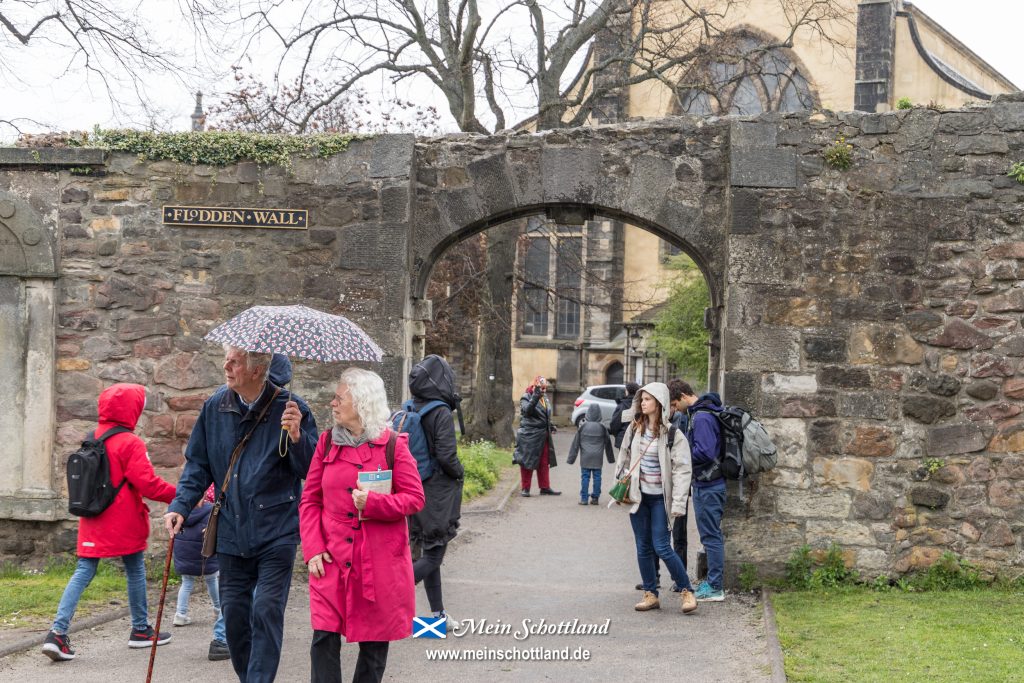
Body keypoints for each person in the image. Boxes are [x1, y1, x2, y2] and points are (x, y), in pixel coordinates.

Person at [164, 348, 318, 683]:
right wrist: (180, 505)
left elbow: (312, 470)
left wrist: (297, 437)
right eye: (227, 359)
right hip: (231, 529)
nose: (226, 366)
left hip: (276, 531)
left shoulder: (293, 409)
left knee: (266, 610)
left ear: (257, 369)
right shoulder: (216, 406)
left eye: (235, 361)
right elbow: (199, 465)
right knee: (234, 618)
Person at [300, 368, 425, 683]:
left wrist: (374, 504)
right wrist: (313, 548)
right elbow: (310, 501)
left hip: (377, 564)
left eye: (339, 397)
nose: (332, 403)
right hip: (331, 560)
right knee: (323, 639)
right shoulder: (327, 443)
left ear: (360, 402)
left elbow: (414, 498)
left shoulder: (393, 445)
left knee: (373, 646)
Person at [43, 383, 177, 661]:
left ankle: (57, 633)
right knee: (135, 569)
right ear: (133, 409)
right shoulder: (130, 442)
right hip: (124, 521)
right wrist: (181, 495)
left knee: (83, 571)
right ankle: (140, 630)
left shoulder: (91, 438)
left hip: (92, 518)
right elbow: (148, 485)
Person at [612, 382, 697, 614]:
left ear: (659, 403)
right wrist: (619, 485)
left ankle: (686, 591)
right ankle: (650, 593)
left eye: (648, 399)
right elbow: (624, 458)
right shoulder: (634, 428)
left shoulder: (673, 434)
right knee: (643, 547)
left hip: (660, 499)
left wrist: (679, 503)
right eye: (641, 399)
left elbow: (682, 470)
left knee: (662, 546)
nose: (642, 402)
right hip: (639, 498)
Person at [406, 355, 464, 623]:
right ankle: (385, 597)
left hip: (415, 488)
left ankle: (438, 616)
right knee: (434, 554)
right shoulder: (440, 412)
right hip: (437, 493)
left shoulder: (411, 407)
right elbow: (446, 456)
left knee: (430, 552)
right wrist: (460, 472)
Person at [172, 484, 229, 661]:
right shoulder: (210, 510)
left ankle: (180, 614)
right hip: (205, 558)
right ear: (203, 496)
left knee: (186, 584)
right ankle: (218, 607)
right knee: (213, 580)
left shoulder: (179, 513)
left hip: (185, 558)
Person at [682, 386, 727, 602]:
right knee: (711, 536)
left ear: (681, 396)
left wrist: (682, 452)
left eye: (673, 404)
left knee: (711, 536)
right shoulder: (706, 412)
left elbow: (706, 452)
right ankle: (713, 583)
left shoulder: (701, 417)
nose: (675, 409)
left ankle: (715, 587)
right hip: (709, 483)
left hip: (708, 484)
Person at [512, 376, 560, 497]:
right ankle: (525, 488)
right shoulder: (526, 397)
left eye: (545, 388)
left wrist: (551, 425)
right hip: (529, 435)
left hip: (543, 435)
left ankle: (544, 487)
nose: (543, 390)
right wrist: (535, 395)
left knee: (544, 462)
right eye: (541, 388)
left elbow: (545, 416)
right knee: (527, 462)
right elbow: (527, 411)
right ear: (534, 387)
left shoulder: (544, 398)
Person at [566, 403, 614, 505]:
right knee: (597, 477)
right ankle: (595, 498)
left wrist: (571, 459)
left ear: (588, 414)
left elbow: (575, 443)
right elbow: (608, 444)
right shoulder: (602, 427)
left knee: (585, 477)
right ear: (599, 414)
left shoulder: (582, 427)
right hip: (597, 457)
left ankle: (584, 499)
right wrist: (611, 459)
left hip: (585, 457)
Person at [609, 381, 640, 450]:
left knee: (624, 460)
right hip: (639, 440)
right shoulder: (641, 405)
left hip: (623, 440)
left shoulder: (622, 405)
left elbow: (614, 425)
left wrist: (618, 435)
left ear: (627, 391)